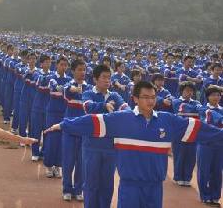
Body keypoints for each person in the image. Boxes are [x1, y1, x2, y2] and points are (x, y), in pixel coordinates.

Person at [44, 81, 223, 208]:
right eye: (145, 97)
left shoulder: (167, 121)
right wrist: (62, 124)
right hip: (130, 188)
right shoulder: (122, 119)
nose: (150, 101)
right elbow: (92, 121)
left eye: (153, 97)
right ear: (135, 99)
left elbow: (200, 129)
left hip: (155, 188)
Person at [81, 64, 130, 208]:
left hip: (110, 146)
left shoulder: (115, 95)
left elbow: (124, 108)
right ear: (95, 79)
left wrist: (134, 112)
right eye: (104, 77)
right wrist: (104, 106)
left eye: (109, 77)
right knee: (91, 183)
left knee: (107, 184)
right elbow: (87, 106)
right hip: (92, 145)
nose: (107, 80)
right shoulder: (88, 93)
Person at [61, 59, 92, 201]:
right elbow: (67, 91)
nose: (82, 72)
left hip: (84, 130)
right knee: (68, 161)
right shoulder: (68, 85)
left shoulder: (90, 88)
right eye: (79, 69)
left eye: (84, 69)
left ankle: (79, 189)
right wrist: (74, 89)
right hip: (69, 128)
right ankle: (67, 189)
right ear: (72, 71)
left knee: (82, 161)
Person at [196, 86, 223, 206]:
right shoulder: (203, 109)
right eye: (213, 95)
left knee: (217, 171)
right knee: (204, 171)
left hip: (220, 145)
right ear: (208, 96)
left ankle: (215, 195)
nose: (216, 97)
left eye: (218, 95)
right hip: (205, 144)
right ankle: (205, 195)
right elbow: (207, 124)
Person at [172, 81, 202, 186]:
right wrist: (195, 113)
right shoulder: (176, 101)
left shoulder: (196, 103)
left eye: (191, 91)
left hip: (193, 131)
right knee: (179, 155)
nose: (189, 92)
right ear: (182, 91)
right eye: (187, 90)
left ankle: (187, 178)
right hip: (180, 132)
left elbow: (201, 112)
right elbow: (182, 112)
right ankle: (178, 176)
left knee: (191, 156)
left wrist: (193, 113)